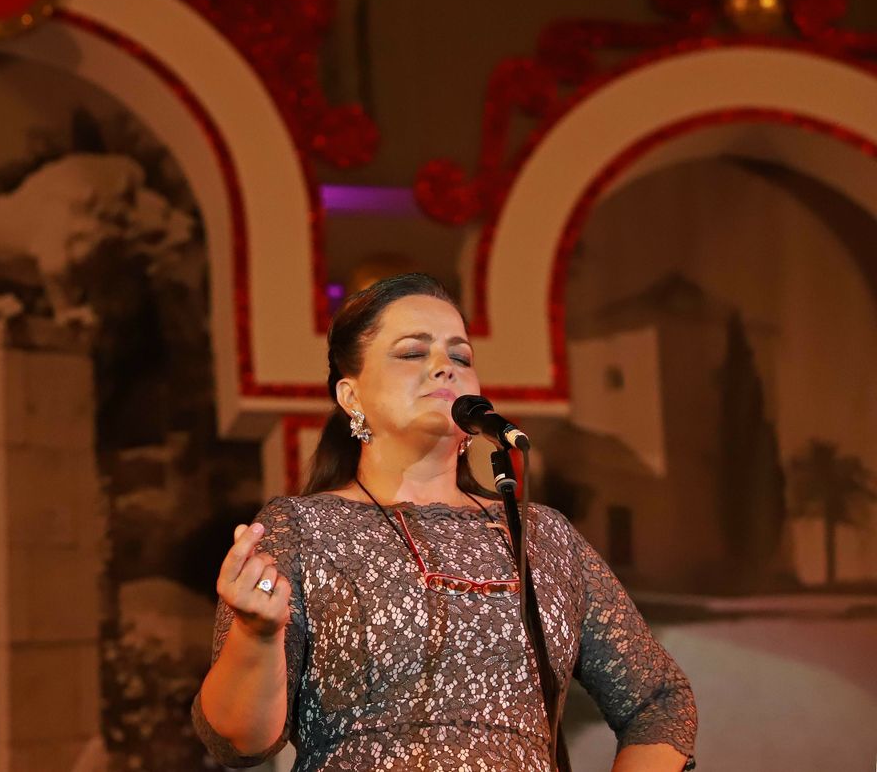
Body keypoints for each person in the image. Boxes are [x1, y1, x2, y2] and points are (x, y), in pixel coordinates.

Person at [192, 273, 696, 771]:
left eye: (460, 357)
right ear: (351, 396)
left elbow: (659, 701)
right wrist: (257, 636)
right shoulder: (303, 529)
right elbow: (239, 742)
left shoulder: (542, 535)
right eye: (414, 353)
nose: (444, 368)